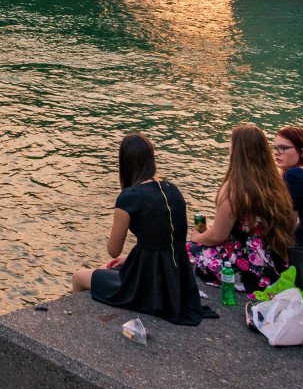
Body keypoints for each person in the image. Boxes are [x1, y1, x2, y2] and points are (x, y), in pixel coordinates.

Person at [70, 134, 211, 325]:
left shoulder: (129, 197)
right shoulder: (173, 189)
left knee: (79, 277)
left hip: (148, 285)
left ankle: (76, 324)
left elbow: (113, 250)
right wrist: (131, 257)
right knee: (107, 269)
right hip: (178, 282)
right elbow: (165, 240)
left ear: (125, 164)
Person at [187, 124, 296, 293]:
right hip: (272, 264)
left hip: (244, 267)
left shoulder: (234, 189)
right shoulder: (276, 183)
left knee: (189, 249)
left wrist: (198, 237)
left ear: (236, 151)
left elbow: (217, 236)